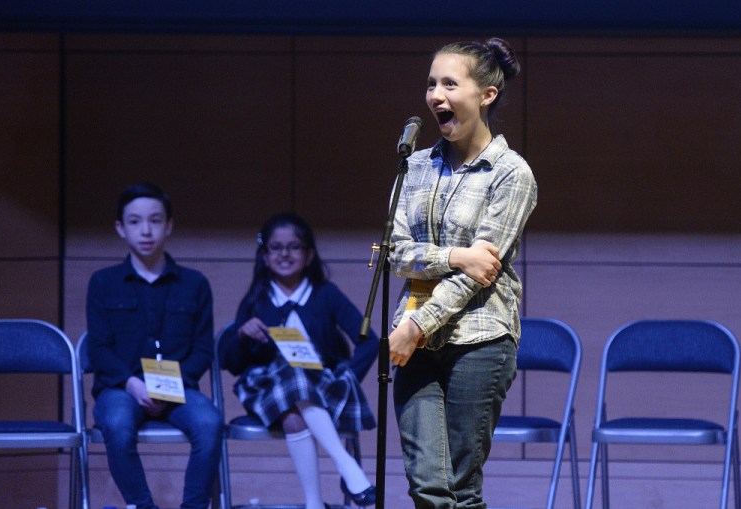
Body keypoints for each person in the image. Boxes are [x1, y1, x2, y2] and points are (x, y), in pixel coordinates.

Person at [388, 37, 538, 508]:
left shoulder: (511, 173)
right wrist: (456, 256)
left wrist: (416, 325)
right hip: (414, 341)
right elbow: (394, 253)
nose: (436, 95)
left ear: (485, 95)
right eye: (432, 83)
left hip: (479, 338)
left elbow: (483, 271)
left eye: (450, 83)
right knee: (427, 485)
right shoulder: (413, 166)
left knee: (460, 487)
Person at [220, 212, 379, 509]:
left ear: (309, 255)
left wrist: (348, 377)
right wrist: (242, 335)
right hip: (267, 387)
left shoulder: (326, 294)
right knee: (291, 374)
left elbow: (370, 341)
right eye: (275, 248)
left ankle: (314, 504)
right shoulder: (258, 298)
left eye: (294, 247)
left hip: (321, 388)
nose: (284, 254)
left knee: (294, 414)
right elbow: (230, 361)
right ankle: (348, 468)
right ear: (264, 256)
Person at [85, 182, 223, 509]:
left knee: (209, 423)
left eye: (155, 220)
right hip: (121, 387)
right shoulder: (103, 282)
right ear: (120, 228)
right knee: (117, 424)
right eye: (134, 222)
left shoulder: (195, 284)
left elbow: (202, 349)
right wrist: (133, 384)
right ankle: (143, 506)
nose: (146, 230)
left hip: (179, 388)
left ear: (169, 225)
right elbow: (100, 349)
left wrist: (169, 387)